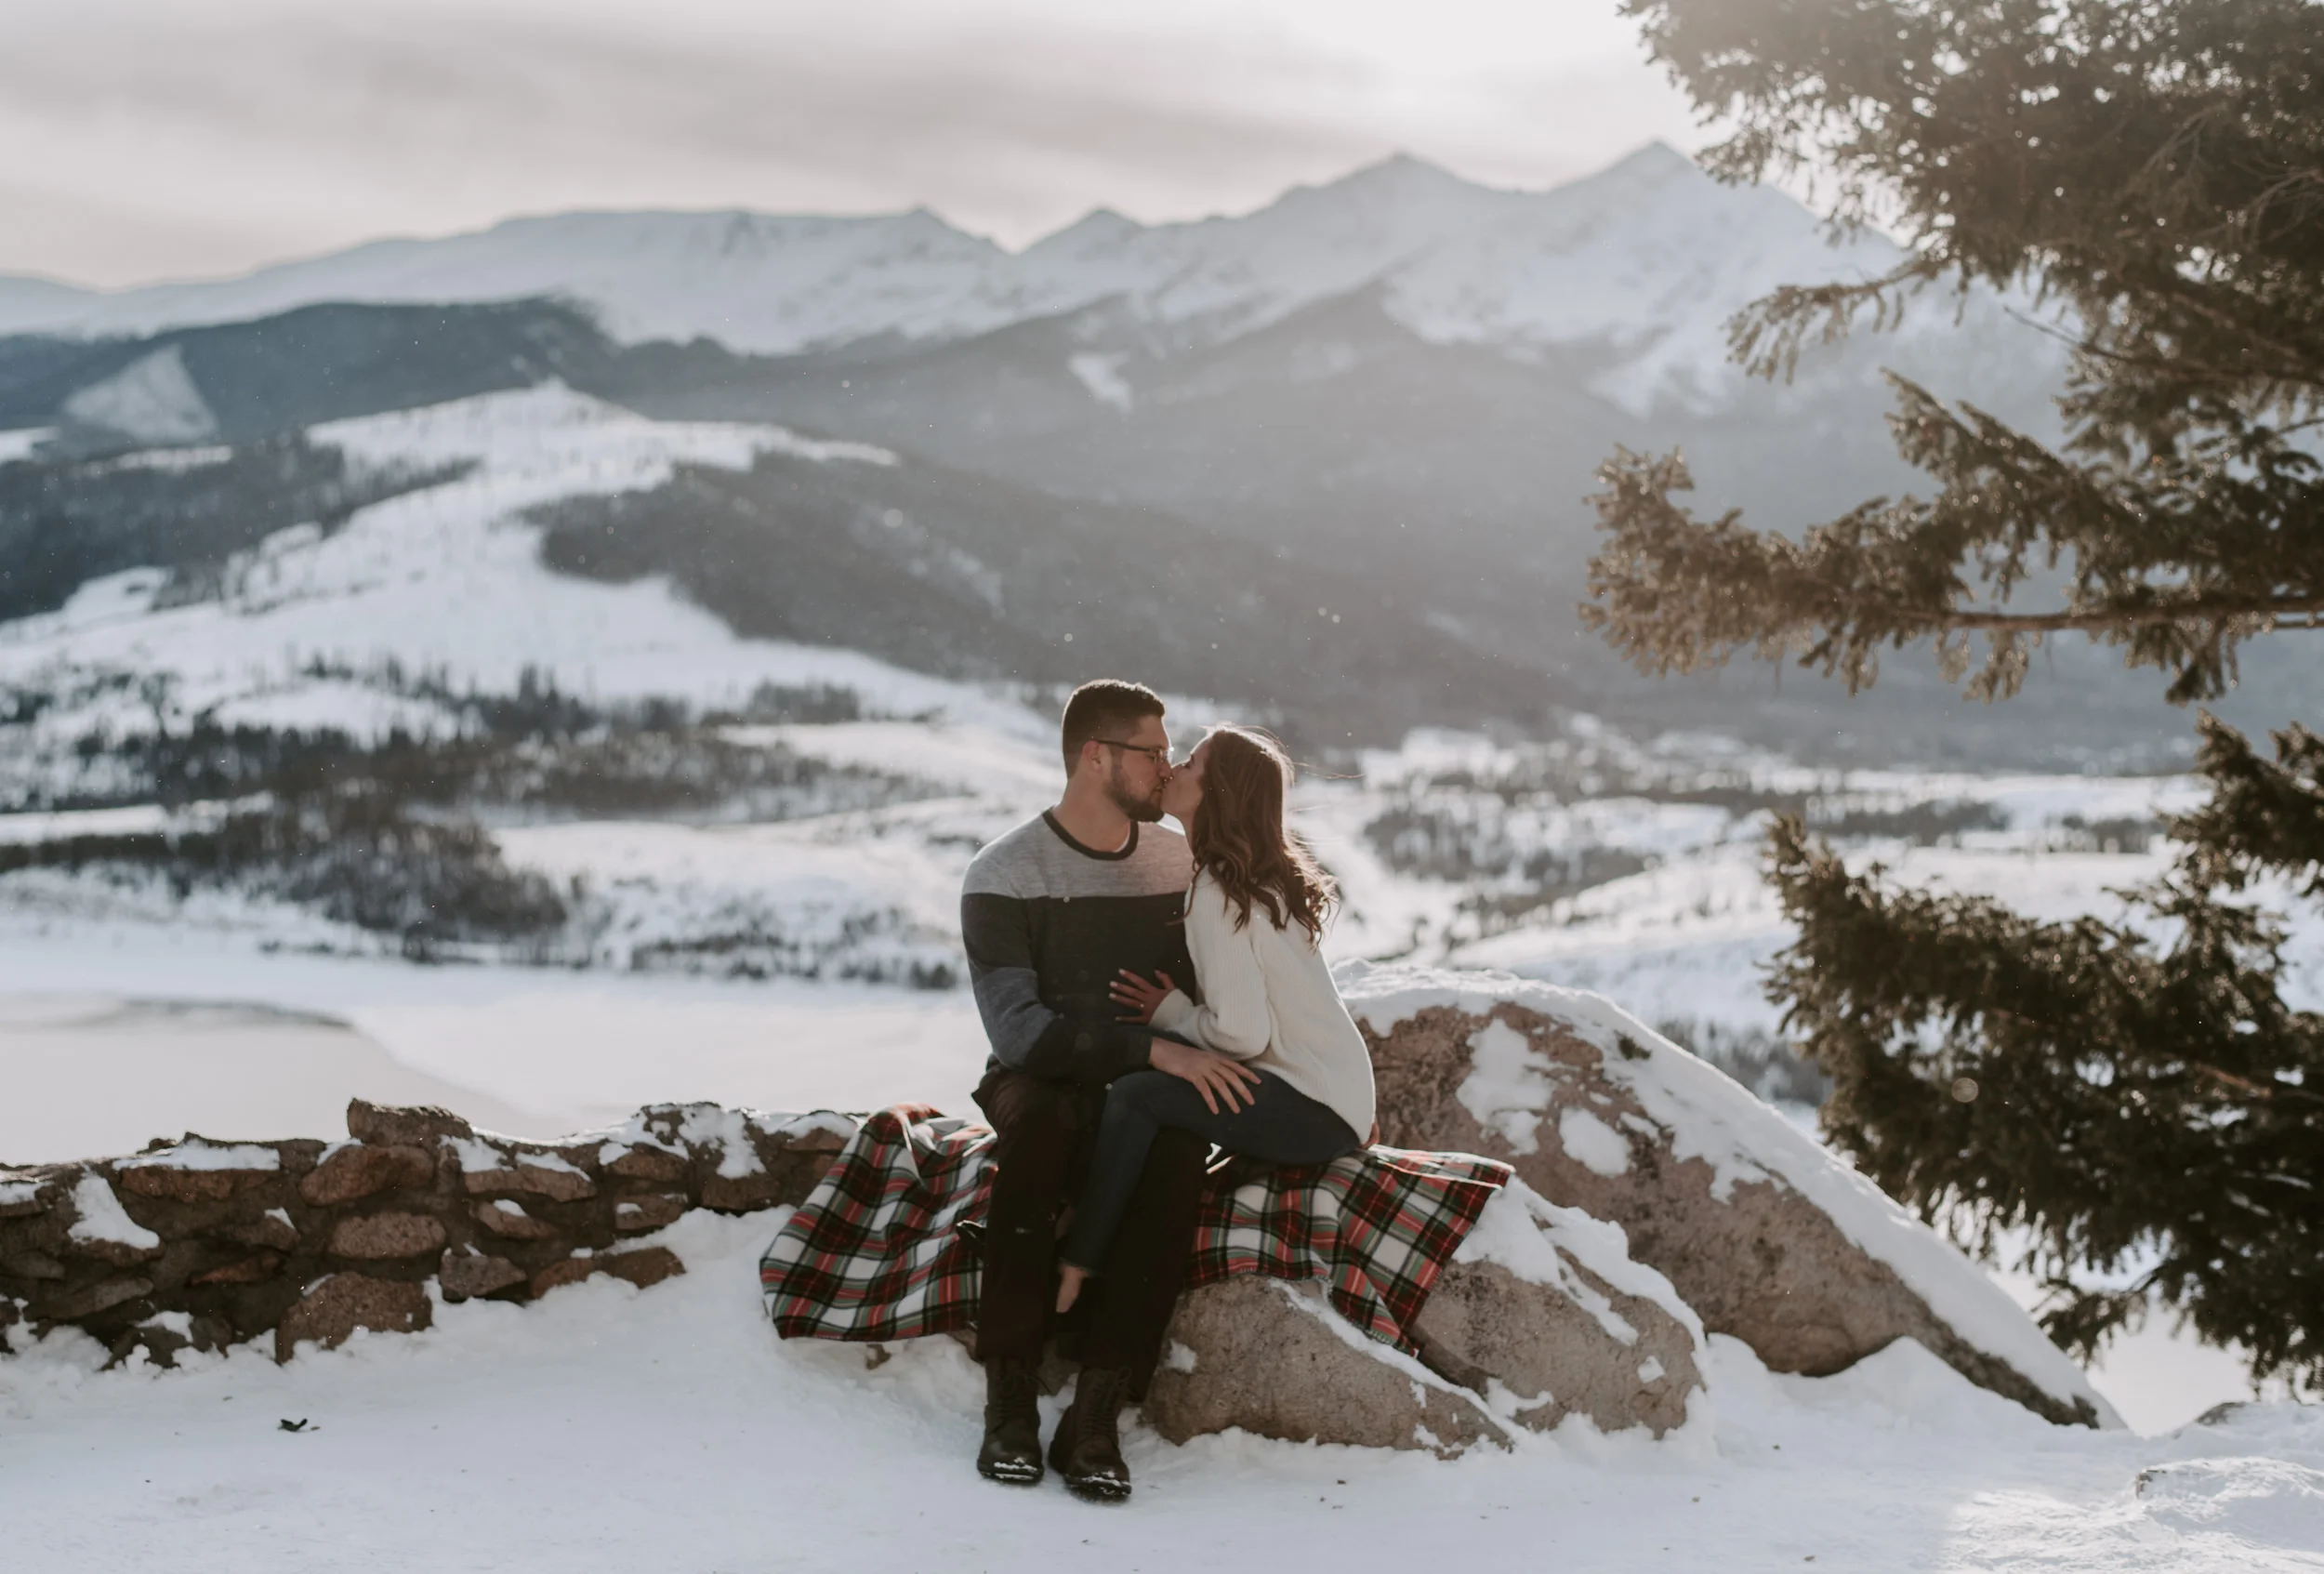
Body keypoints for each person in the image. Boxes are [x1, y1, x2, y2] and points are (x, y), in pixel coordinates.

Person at [958, 680, 1257, 1502]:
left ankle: (1095, 1411)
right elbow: (1021, 1034)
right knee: (1046, 1124)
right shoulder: (1004, 871)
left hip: (1149, 1082)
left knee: (1173, 1147)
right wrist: (1150, 1051)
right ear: (1097, 756)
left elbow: (1226, 991)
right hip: (1038, 1079)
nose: (1167, 769)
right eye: (1153, 753)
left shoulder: (1177, 863)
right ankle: (1010, 1397)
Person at [1053, 723, 1376, 1320]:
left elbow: (1242, 1034)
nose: (1173, 769)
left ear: (1217, 791)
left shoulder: (1217, 887)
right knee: (1157, 1096)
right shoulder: (1254, 875)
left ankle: (1076, 1264)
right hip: (1336, 1096)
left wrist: (1170, 1014)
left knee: (1136, 1097)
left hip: (1313, 1109)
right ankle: (1086, 1225)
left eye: (1192, 764)